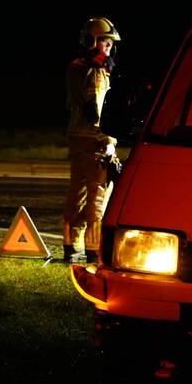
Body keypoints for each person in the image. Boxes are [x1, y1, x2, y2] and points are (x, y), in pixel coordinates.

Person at [63, 17, 121, 263]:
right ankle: (94, 250)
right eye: (104, 43)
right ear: (91, 41)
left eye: (110, 44)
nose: (108, 48)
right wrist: (107, 140)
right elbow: (95, 109)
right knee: (99, 194)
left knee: (77, 193)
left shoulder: (75, 66)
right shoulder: (96, 71)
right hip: (94, 139)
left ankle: (71, 246)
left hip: (76, 137)